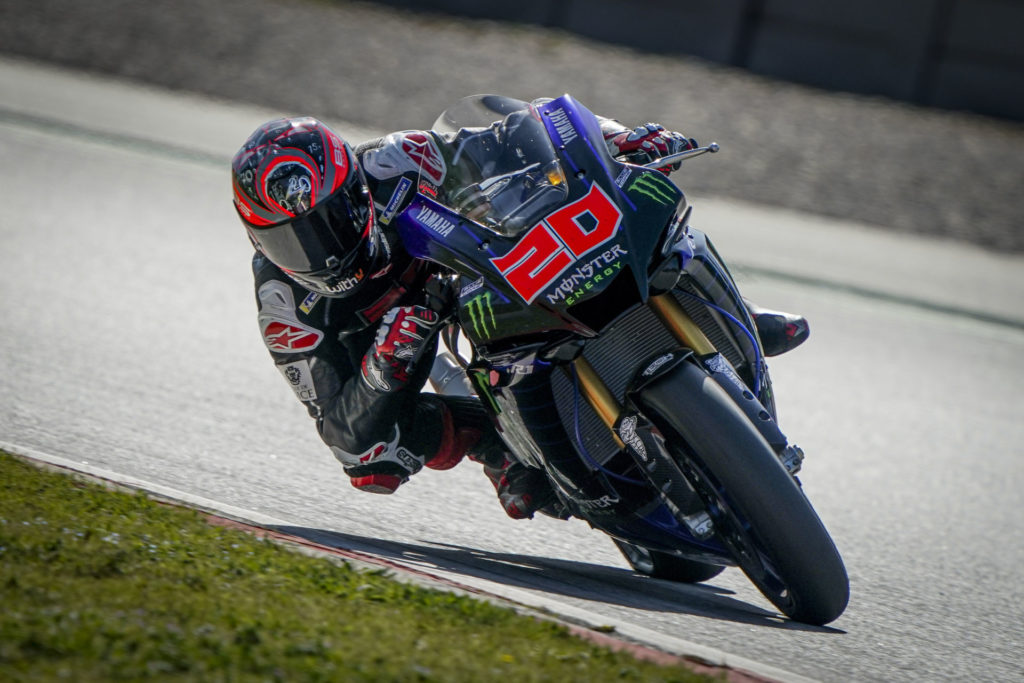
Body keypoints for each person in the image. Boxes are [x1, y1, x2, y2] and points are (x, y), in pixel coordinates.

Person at [230, 106, 809, 520]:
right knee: (372, 457)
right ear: (259, 240)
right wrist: (387, 359)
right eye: (292, 241)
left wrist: (617, 139)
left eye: (328, 222)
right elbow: (344, 436)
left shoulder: (395, 160)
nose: (320, 251)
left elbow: (519, 131)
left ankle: (727, 315)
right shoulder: (285, 307)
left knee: (642, 208)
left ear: (354, 187)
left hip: (468, 276)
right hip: (397, 349)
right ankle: (500, 451)